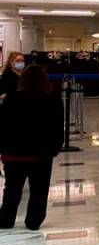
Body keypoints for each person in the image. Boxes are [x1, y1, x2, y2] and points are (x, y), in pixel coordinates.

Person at [0, 65, 64, 230]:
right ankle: (33, 221)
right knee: (39, 190)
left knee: (12, 188)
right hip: (41, 154)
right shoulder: (52, 100)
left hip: (12, 153)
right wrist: (55, 148)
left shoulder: (11, 98)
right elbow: (57, 127)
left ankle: (6, 219)